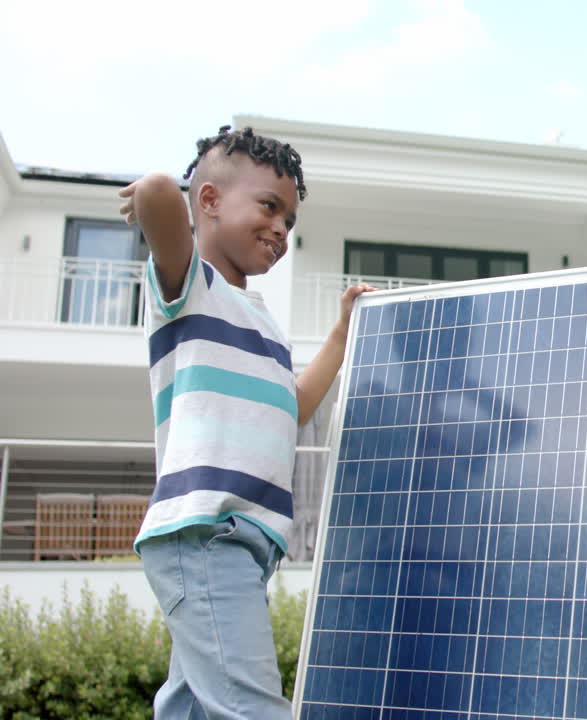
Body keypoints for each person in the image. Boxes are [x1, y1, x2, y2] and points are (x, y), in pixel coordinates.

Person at [119, 126, 373, 719]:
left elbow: (295, 408)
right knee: (253, 708)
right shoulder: (190, 290)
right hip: (207, 532)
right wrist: (156, 191)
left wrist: (340, 335)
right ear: (208, 202)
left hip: (247, 542)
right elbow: (160, 197)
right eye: (269, 206)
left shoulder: (264, 324)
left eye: (290, 219)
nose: (282, 229)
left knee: (194, 707)